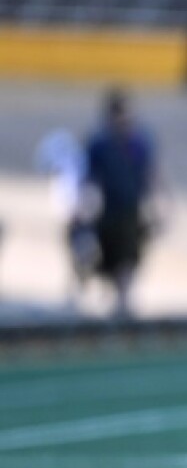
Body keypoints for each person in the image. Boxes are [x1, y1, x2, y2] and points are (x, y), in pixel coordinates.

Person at [83, 88, 163, 318]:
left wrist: (159, 204)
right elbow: (90, 176)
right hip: (107, 209)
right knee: (106, 256)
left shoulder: (139, 141)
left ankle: (125, 299)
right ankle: (115, 294)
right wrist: (87, 204)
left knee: (130, 255)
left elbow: (151, 173)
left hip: (131, 209)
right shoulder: (99, 143)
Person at [35, 128, 99, 307]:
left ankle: (77, 287)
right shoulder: (68, 161)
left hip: (78, 214)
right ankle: (76, 287)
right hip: (73, 214)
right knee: (76, 251)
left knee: (81, 251)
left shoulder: (76, 162)